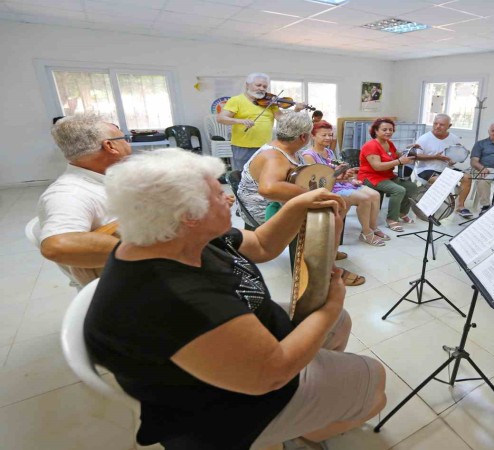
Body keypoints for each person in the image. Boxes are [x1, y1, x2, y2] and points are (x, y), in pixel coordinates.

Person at [84, 148, 386, 450]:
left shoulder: (174, 235)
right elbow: (270, 374)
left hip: (252, 346)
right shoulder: (173, 297)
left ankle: (312, 409)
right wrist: (329, 308)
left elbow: (262, 244)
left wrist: (297, 204)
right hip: (225, 408)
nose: (229, 199)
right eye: (218, 195)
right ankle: (299, 430)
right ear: (189, 216)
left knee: (339, 324)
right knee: (375, 384)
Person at [238, 111, 367, 286]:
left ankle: (327, 252)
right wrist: (310, 194)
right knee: (330, 219)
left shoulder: (292, 151)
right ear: (303, 136)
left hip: (279, 202)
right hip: (263, 208)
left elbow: (303, 177)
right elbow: (268, 189)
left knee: (334, 212)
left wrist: (335, 177)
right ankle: (326, 268)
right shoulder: (274, 156)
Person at [36, 114, 131, 286]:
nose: (128, 143)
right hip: (116, 285)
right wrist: (143, 251)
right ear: (110, 146)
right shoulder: (69, 194)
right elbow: (57, 245)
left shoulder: (104, 177)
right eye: (124, 138)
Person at [302, 121, 388, 246]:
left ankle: (373, 227)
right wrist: (338, 176)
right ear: (313, 136)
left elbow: (335, 172)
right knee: (364, 199)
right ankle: (366, 232)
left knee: (375, 195)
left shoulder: (329, 152)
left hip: (339, 183)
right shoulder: (308, 155)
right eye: (324, 135)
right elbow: (317, 181)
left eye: (330, 135)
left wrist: (349, 177)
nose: (328, 138)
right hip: (328, 188)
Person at [217, 72, 306, 171]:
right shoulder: (236, 100)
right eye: (258, 85)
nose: (262, 88)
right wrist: (241, 121)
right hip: (242, 147)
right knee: (242, 176)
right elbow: (221, 118)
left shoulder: (271, 102)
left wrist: (296, 110)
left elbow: (283, 120)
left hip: (265, 146)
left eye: (264, 86)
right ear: (247, 85)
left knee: (263, 175)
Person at [357, 118, 418, 232]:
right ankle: (391, 219)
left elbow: (397, 155)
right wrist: (399, 161)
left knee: (412, 187)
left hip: (387, 176)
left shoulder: (389, 143)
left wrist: (410, 149)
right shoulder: (371, 145)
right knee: (398, 190)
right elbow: (377, 166)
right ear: (376, 131)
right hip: (370, 177)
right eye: (384, 129)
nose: (388, 132)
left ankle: (401, 212)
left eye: (391, 129)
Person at [410, 114, 474, 218]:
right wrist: (435, 157)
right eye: (435, 123)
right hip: (426, 168)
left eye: (442, 124)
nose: (437, 126)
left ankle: (460, 206)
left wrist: (454, 160)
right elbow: (416, 156)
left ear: (449, 126)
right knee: (440, 180)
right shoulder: (424, 138)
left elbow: (456, 153)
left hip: (447, 168)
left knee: (467, 177)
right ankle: (430, 206)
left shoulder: (454, 138)